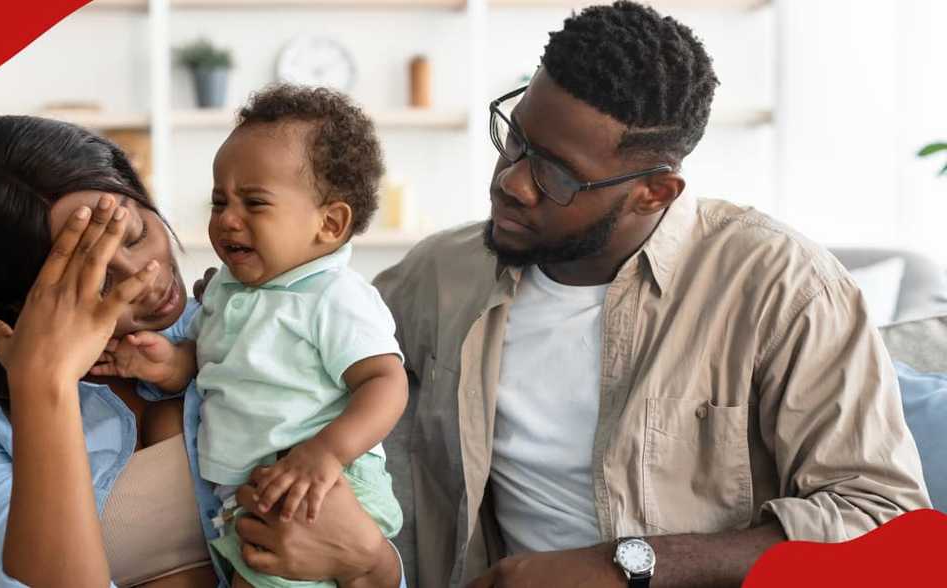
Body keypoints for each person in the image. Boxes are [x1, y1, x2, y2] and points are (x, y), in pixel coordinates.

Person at [371, 2, 932, 587]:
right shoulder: (439, 275)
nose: (510, 182)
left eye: (557, 175)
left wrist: (625, 566)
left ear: (654, 192)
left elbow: (883, 519)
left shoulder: (785, 288)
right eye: (515, 139)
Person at [0, 114, 404, 587]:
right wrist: (44, 383)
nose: (146, 276)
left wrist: (368, 560)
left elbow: (367, 552)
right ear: (18, 301)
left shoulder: (232, 325)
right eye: (94, 276)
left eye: (136, 234)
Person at [92, 85, 409, 588]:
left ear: (329, 224)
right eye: (220, 201)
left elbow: (386, 381)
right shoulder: (228, 290)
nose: (227, 220)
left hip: (318, 484)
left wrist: (326, 453)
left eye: (254, 203)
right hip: (253, 491)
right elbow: (214, 357)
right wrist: (171, 363)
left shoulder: (333, 297)